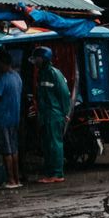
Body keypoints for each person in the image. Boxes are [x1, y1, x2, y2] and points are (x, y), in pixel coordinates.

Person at [32, 46, 70, 184]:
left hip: (54, 115)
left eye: (37, 58)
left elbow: (64, 94)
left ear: (43, 59)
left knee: (54, 144)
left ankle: (56, 173)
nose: (35, 61)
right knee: (48, 145)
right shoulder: (42, 73)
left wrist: (65, 112)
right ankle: (50, 173)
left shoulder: (53, 73)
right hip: (46, 115)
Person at [0, 50, 23, 189]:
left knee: (6, 150)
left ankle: (10, 180)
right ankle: (17, 179)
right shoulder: (17, 77)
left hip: (3, 117)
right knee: (14, 149)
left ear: (2, 63)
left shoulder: (2, 78)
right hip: (15, 117)